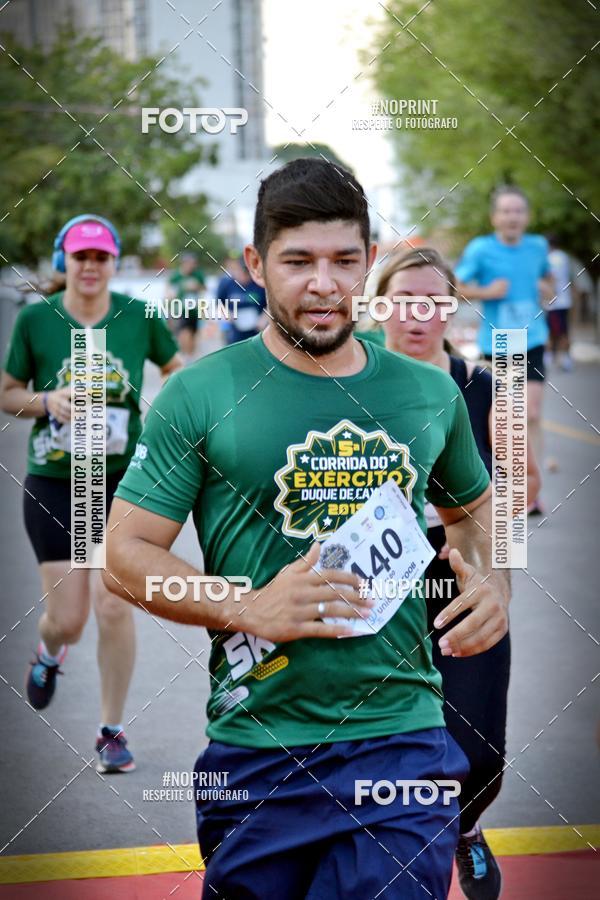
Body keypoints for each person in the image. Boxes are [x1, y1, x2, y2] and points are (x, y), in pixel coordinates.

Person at [105, 159, 510, 899]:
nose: (324, 284)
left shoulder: (427, 391)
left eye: (345, 261)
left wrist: (493, 579)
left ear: (369, 261)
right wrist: (244, 605)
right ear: (256, 265)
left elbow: (474, 510)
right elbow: (126, 555)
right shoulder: (201, 393)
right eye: (298, 261)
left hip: (402, 738)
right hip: (258, 743)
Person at [377, 246, 540, 900]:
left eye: (433, 302)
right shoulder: (350, 378)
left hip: (458, 573)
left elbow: (506, 501)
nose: (418, 316)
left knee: (480, 752)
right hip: (378, 581)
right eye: (403, 301)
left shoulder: (481, 387)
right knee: (390, 749)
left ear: (451, 308)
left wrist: (498, 583)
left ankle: (467, 825)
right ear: (379, 305)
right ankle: (408, 857)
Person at [0, 215, 181, 773]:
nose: (91, 267)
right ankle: (50, 651)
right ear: (64, 262)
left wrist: (164, 410)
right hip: (58, 481)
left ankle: (111, 732)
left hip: (123, 483)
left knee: (113, 603)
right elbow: (7, 392)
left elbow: (175, 371)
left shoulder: (139, 318)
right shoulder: (36, 320)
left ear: (113, 263)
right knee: (70, 618)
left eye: (101, 257)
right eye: (80, 257)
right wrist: (46, 402)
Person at [455, 185, 554, 515]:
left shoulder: (538, 246)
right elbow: (454, 288)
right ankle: (504, 483)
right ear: (494, 217)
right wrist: (488, 291)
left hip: (534, 338)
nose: (512, 217)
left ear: (526, 216)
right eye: (506, 211)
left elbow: (548, 280)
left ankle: (531, 490)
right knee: (506, 418)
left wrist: (547, 288)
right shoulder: (481, 249)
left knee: (533, 413)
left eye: (518, 211)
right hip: (499, 343)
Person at [216, 250, 267, 343]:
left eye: (246, 272)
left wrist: (264, 317)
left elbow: (270, 305)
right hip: (235, 329)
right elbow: (219, 303)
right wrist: (227, 314)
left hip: (258, 330)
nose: (243, 275)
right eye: (240, 271)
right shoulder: (226, 283)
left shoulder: (260, 284)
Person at [167, 251, 207, 361]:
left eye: (193, 263)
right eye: (189, 263)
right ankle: (185, 356)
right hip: (181, 309)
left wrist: (196, 287)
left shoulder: (198, 275)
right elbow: (168, 291)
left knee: (193, 334)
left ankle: (191, 356)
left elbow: (204, 289)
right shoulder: (176, 276)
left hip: (194, 309)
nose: (192, 266)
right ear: (183, 263)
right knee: (184, 332)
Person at [545, 235, 574, 372]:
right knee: (562, 330)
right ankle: (564, 359)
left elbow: (552, 279)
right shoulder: (563, 256)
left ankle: (552, 359)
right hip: (564, 301)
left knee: (555, 331)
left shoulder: (552, 258)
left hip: (555, 302)